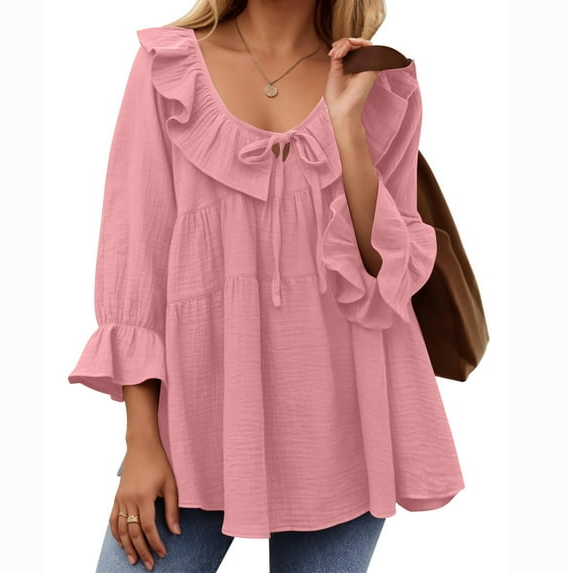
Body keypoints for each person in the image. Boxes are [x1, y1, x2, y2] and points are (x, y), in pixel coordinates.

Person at [68, 0, 466, 571]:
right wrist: (141, 442)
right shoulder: (167, 69)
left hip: (344, 426)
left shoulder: (378, 80)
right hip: (197, 426)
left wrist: (347, 129)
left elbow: (385, 278)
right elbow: (136, 261)